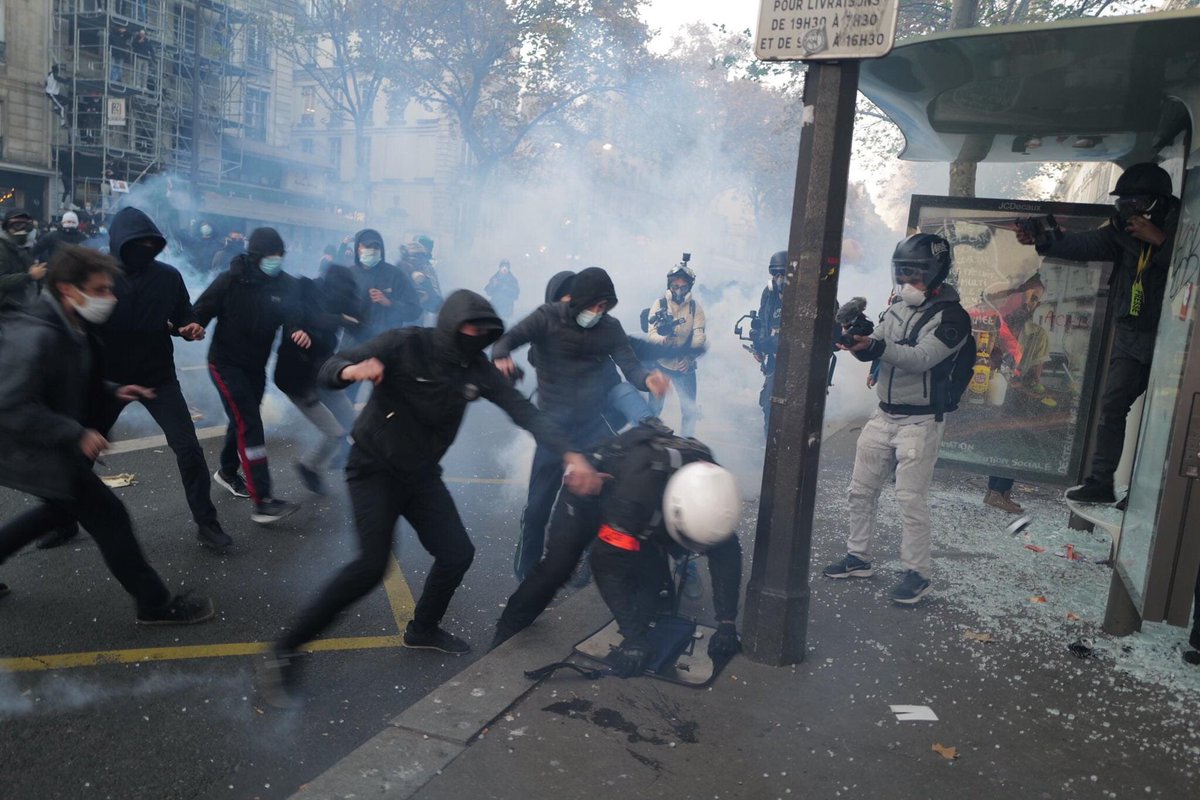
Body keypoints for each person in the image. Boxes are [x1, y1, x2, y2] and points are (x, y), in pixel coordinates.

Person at [259, 290, 603, 706]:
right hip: (373, 469)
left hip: (421, 475)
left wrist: (572, 455)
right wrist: (351, 372)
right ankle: (286, 650)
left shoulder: (475, 369)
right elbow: (329, 367)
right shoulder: (404, 343)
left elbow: (524, 411)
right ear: (451, 323)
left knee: (457, 552)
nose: (476, 336)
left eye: (484, 331)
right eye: (470, 327)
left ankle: (422, 628)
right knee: (371, 566)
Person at [0, 245, 214, 624]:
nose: (110, 298)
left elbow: (70, 380)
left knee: (61, 511)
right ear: (68, 289)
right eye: (100, 290)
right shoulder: (38, 333)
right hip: (34, 451)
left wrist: (113, 390)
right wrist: (76, 433)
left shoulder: (70, 323)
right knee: (108, 516)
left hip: (47, 450)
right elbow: (13, 405)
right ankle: (155, 605)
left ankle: (153, 603)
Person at [36, 208, 231, 552]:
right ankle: (62, 521)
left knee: (188, 450)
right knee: (77, 456)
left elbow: (184, 316)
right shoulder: (98, 276)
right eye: (135, 243)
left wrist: (189, 328)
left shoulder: (168, 277)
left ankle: (207, 522)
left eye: (149, 243)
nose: (143, 249)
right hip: (106, 381)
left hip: (158, 378)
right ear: (118, 243)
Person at [492, 421, 744, 669]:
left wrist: (726, 623)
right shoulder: (636, 498)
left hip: (645, 502)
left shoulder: (712, 486)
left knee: (651, 585)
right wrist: (633, 637)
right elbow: (605, 563)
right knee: (559, 566)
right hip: (590, 492)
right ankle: (508, 627)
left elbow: (727, 552)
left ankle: (647, 616)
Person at [492, 267, 670, 581]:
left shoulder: (610, 328)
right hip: (553, 428)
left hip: (592, 427)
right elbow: (509, 339)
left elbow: (629, 364)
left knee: (595, 499)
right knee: (537, 509)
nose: (598, 312)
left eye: (605, 306)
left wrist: (648, 379)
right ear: (580, 300)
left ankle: (588, 566)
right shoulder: (548, 317)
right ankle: (525, 572)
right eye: (594, 305)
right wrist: (502, 355)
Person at [1017, 163, 1179, 505]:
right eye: (1122, 204)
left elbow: (1189, 267)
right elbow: (1082, 246)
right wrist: (1043, 240)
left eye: (1133, 204)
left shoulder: (1186, 225)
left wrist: (1162, 241)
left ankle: (1156, 497)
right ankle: (1100, 483)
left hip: (1177, 341)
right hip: (1133, 336)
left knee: (1169, 417)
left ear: (1156, 203)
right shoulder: (1123, 232)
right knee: (1111, 408)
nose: (1125, 211)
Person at [823, 233, 971, 605]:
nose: (907, 283)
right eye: (902, 275)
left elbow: (921, 358)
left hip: (921, 422)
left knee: (910, 499)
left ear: (936, 274)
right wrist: (856, 338)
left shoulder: (953, 318)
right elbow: (875, 343)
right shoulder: (895, 309)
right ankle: (858, 557)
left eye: (915, 275)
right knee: (859, 491)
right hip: (884, 414)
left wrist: (874, 346)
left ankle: (917, 573)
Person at [194, 227, 305, 523]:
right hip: (225, 363)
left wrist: (298, 331)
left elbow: (293, 318)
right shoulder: (230, 281)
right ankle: (263, 500)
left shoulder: (286, 285)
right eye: (271, 256)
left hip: (256, 366)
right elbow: (200, 312)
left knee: (241, 419)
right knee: (251, 423)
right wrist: (191, 326)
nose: (277, 261)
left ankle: (227, 471)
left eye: (281, 255)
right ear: (255, 257)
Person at [274, 264, 360, 494]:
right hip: (297, 381)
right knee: (334, 433)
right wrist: (339, 319)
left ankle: (366, 467)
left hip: (321, 373)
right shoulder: (305, 292)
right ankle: (309, 466)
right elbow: (309, 318)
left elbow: (358, 318)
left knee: (351, 420)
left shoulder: (336, 301)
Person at [645, 260, 706, 437]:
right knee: (654, 410)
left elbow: (699, 336)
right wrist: (663, 340)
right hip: (661, 365)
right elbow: (652, 334)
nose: (679, 291)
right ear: (669, 285)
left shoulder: (695, 308)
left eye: (683, 287)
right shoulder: (660, 304)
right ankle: (649, 442)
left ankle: (687, 443)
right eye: (675, 286)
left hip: (684, 367)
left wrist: (689, 358)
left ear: (689, 287)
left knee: (690, 412)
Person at [343, 229, 422, 345]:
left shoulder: (395, 275)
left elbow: (415, 310)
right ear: (357, 248)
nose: (372, 250)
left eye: (376, 247)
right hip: (353, 347)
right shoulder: (349, 275)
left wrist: (389, 303)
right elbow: (334, 308)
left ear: (381, 250)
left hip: (386, 346)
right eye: (367, 246)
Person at [750, 251, 787, 436]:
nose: (779, 279)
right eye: (775, 274)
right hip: (774, 358)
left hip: (796, 361)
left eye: (783, 274)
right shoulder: (769, 293)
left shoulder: (803, 295)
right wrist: (760, 347)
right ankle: (769, 442)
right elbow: (763, 320)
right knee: (768, 402)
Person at [0, 209, 43, 311]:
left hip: (24, 305)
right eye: (17, 225)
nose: (22, 230)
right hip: (6, 309)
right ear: (7, 227)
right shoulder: (2, 247)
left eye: (26, 226)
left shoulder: (24, 247)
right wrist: (29, 276)